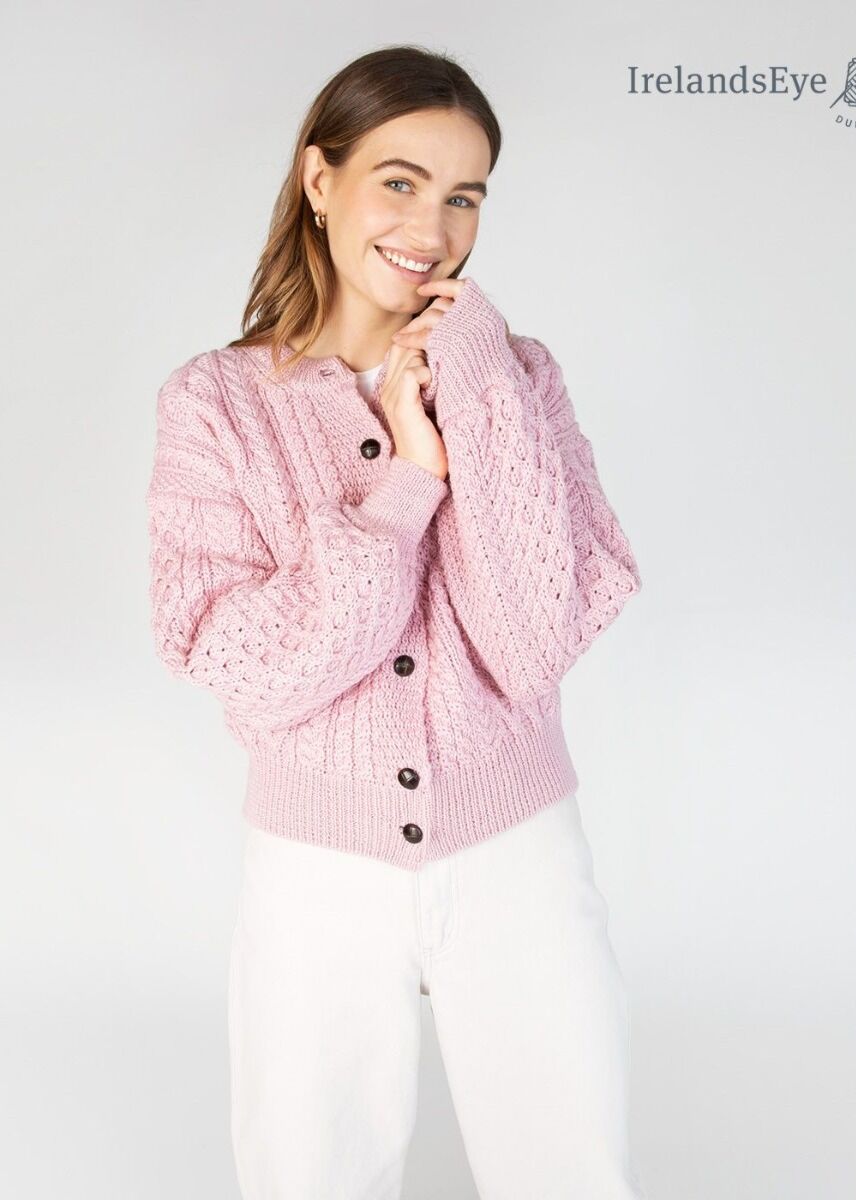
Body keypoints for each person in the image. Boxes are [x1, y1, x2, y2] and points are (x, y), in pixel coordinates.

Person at [146, 44, 647, 1200]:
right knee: (308, 1178)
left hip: (518, 847)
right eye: (401, 181)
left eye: (465, 195)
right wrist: (407, 483)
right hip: (314, 867)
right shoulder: (215, 406)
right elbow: (247, 664)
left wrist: (477, 378)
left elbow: (531, 644)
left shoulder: (518, 378)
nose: (435, 226)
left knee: (569, 1175)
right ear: (320, 180)